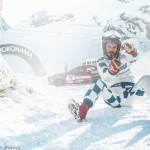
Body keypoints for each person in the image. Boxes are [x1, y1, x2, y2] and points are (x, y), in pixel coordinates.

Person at [69, 30, 150, 122]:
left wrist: (132, 51)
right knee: (97, 81)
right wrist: (112, 69)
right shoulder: (101, 61)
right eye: (109, 46)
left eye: (114, 47)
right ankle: (82, 111)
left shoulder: (124, 55)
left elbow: (136, 58)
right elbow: (106, 77)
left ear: (118, 47)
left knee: (146, 79)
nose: (112, 49)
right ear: (104, 47)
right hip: (115, 97)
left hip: (131, 94)